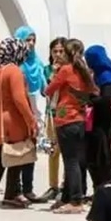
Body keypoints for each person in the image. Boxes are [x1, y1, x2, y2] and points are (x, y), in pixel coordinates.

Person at [0, 38, 38, 209]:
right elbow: (19, 99)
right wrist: (31, 120)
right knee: (16, 156)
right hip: (13, 118)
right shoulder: (13, 71)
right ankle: (10, 194)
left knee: (0, 158)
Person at [45, 39, 97, 214]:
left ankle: (75, 200)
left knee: (70, 161)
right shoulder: (83, 70)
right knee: (73, 159)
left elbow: (48, 90)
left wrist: (54, 73)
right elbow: (93, 91)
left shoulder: (66, 70)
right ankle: (67, 197)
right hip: (79, 119)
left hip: (65, 118)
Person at [14, 26, 45, 201]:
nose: (31, 43)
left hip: (35, 110)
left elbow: (45, 88)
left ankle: (28, 188)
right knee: (18, 151)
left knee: (31, 151)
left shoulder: (37, 63)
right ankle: (15, 189)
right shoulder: (15, 64)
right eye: (27, 40)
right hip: (20, 111)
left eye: (33, 40)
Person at [85, 45, 111, 189]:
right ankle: (98, 189)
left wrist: (89, 100)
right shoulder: (98, 75)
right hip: (96, 122)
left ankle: (105, 188)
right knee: (94, 158)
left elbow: (107, 99)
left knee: (102, 158)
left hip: (103, 124)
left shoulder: (107, 77)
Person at [41, 37, 68, 205]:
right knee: (53, 150)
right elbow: (45, 90)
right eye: (55, 51)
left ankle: (66, 184)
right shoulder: (47, 70)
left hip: (64, 113)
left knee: (66, 150)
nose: (57, 54)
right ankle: (53, 185)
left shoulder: (70, 70)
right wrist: (53, 74)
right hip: (51, 113)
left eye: (61, 51)